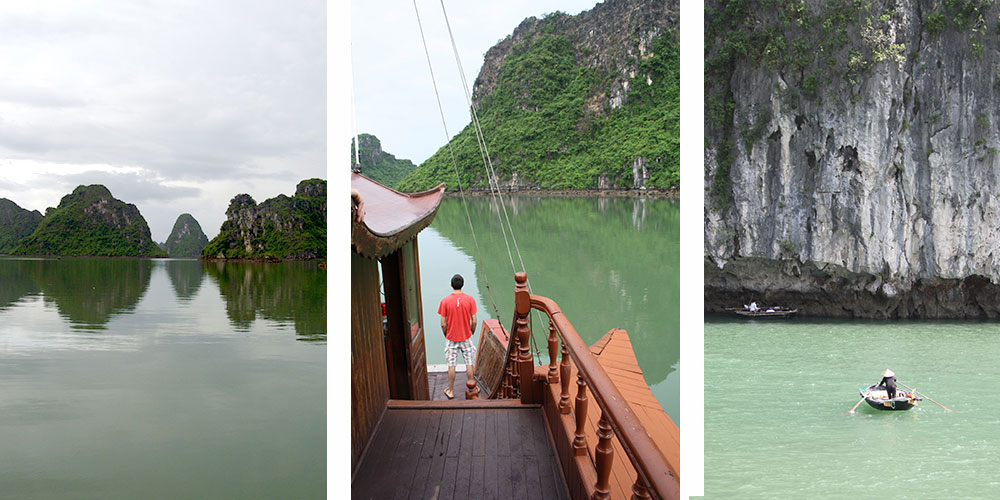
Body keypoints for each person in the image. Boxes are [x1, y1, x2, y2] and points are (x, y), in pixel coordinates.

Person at [437, 274, 477, 399]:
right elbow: (474, 320)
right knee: (469, 363)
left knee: (451, 364)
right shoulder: (470, 299)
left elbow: (443, 323)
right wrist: (471, 332)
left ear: (451, 285)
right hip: (466, 336)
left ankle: (451, 390)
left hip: (451, 338)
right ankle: (473, 388)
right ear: (463, 285)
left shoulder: (445, 301)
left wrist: (446, 334)